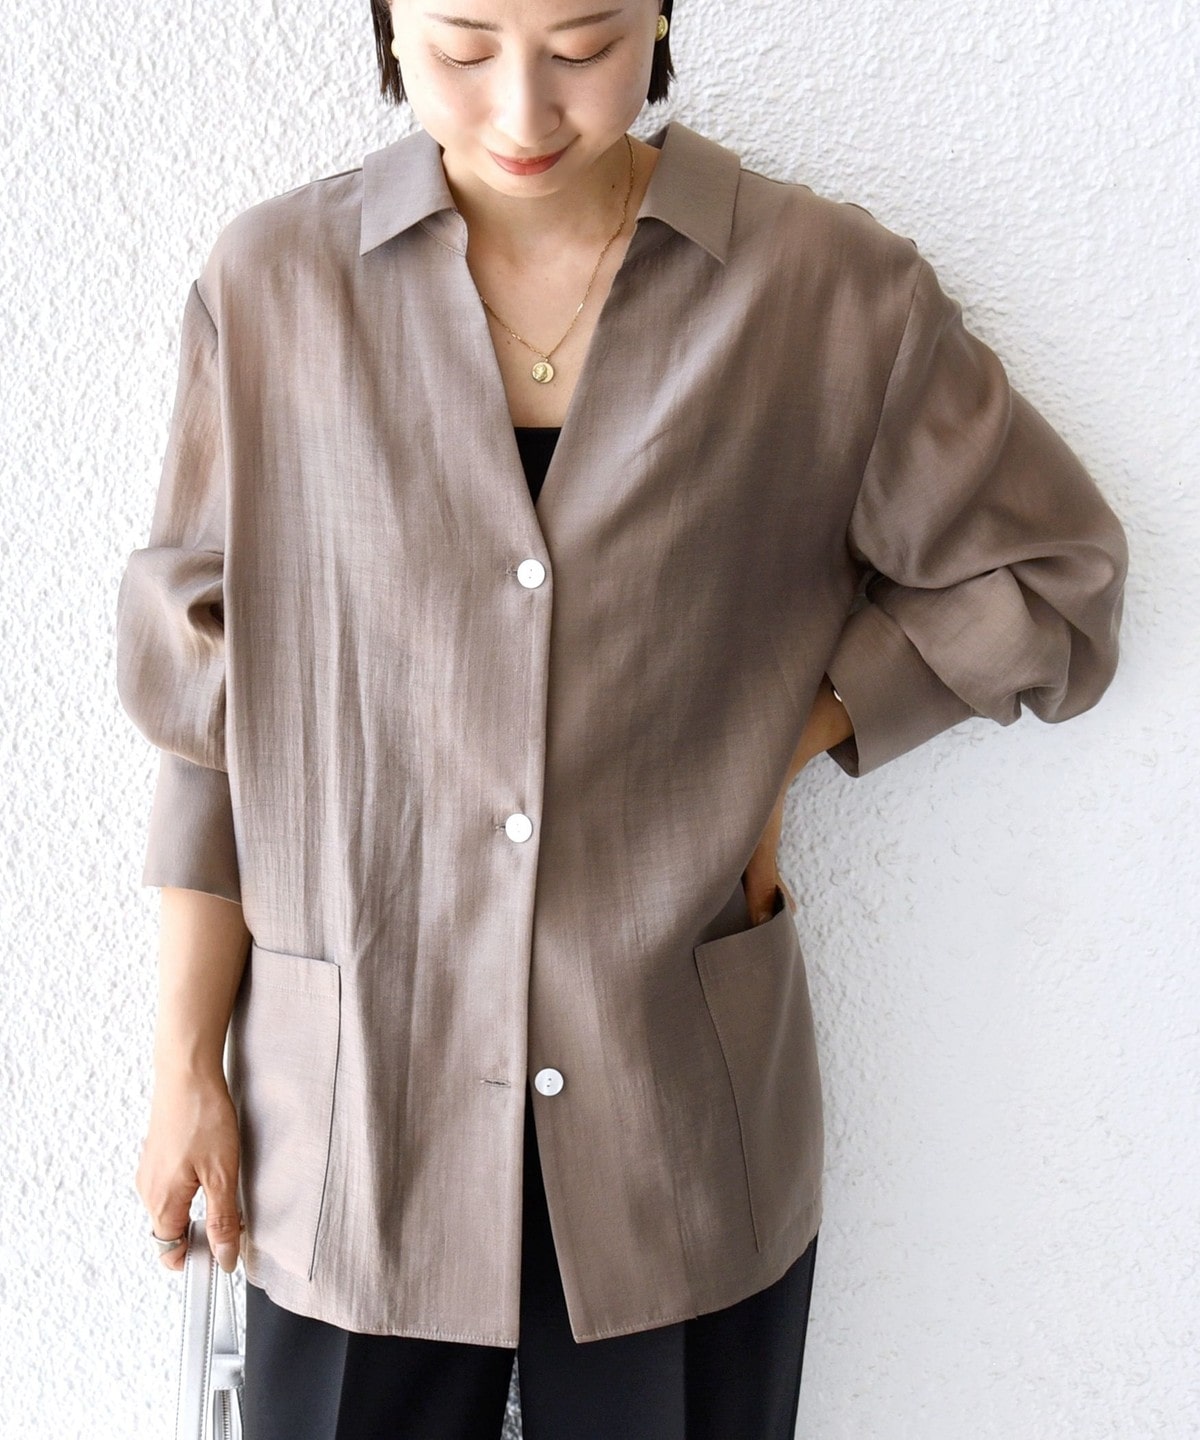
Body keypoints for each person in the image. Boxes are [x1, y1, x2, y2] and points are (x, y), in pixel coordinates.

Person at [115, 1, 1129, 1436]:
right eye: (465, 50)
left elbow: (1055, 580)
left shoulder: (825, 291)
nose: (524, 112)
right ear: (389, 24)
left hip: (671, 1124)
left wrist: (797, 732)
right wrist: (183, 1069)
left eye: (584, 47)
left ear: (659, 13)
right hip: (353, 1128)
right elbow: (209, 715)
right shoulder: (275, 289)